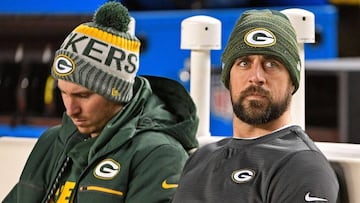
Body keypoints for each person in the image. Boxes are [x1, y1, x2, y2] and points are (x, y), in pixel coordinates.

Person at [3, 2, 199, 203]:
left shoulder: (159, 154)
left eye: (83, 96)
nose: (71, 110)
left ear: (117, 93)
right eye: (64, 93)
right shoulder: (52, 141)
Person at [172, 9, 339, 203]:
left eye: (271, 64)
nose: (256, 77)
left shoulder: (303, 165)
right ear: (228, 78)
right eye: (244, 63)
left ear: (292, 81)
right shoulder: (201, 158)